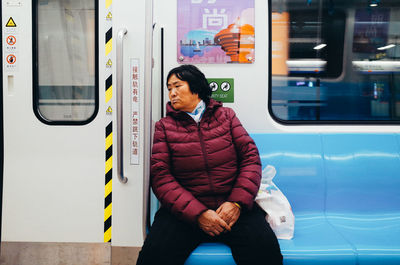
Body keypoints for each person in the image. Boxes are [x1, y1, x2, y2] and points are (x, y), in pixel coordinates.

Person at [136, 65, 283, 265]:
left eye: (177, 86)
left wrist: (237, 203)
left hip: (232, 206)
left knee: (265, 254)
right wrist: (198, 214)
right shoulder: (164, 127)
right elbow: (161, 177)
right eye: (169, 88)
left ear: (196, 88)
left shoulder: (226, 117)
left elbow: (250, 158)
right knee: (153, 257)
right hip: (184, 212)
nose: (172, 93)